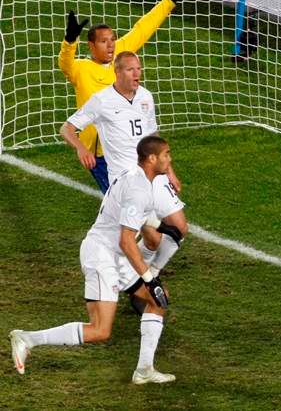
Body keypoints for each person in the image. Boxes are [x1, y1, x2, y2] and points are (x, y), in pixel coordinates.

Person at [9, 136, 182, 384]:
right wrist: (149, 277)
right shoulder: (138, 188)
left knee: (158, 299)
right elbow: (126, 240)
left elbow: (127, 216)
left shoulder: (137, 177)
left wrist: (160, 227)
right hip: (103, 255)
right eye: (166, 154)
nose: (170, 158)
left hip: (116, 254)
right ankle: (28, 338)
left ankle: (144, 370)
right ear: (152, 158)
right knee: (100, 330)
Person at [60, 51, 188, 310]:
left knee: (179, 228)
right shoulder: (102, 101)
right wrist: (81, 148)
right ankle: (141, 283)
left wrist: (170, 170)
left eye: (139, 69)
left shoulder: (146, 97)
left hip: (154, 174)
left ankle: (145, 274)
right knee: (151, 239)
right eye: (130, 70)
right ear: (117, 72)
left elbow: (154, 137)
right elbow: (67, 128)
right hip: (127, 182)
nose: (137, 74)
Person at [59, 0, 190, 193]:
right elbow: (65, 62)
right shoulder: (80, 69)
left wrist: (171, 0)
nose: (110, 46)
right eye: (103, 42)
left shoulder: (121, 55)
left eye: (112, 40)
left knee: (139, 202)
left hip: (130, 146)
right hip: (101, 154)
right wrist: (70, 41)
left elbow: (144, 28)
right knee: (124, 203)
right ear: (91, 46)